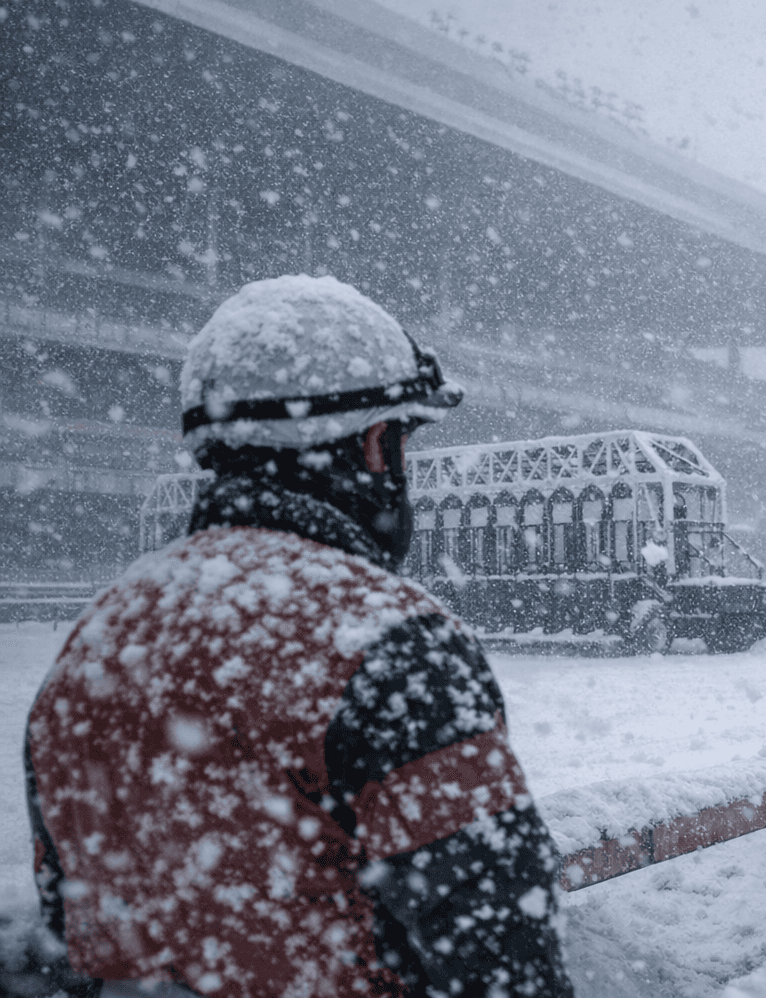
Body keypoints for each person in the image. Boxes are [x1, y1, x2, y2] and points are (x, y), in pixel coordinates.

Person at [25, 276, 574, 998]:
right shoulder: (392, 643)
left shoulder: (98, 636)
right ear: (378, 448)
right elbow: (502, 953)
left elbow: (72, 925)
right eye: (403, 441)